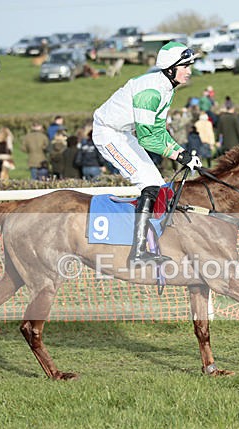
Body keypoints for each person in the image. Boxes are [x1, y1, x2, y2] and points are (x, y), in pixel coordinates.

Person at [91, 41, 202, 265]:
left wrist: (183, 153)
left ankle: (151, 243)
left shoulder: (167, 88)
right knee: (149, 186)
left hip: (123, 134)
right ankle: (138, 252)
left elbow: (158, 131)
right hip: (108, 133)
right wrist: (180, 157)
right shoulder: (151, 92)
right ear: (171, 68)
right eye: (185, 66)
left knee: (158, 186)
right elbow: (147, 138)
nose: (190, 71)